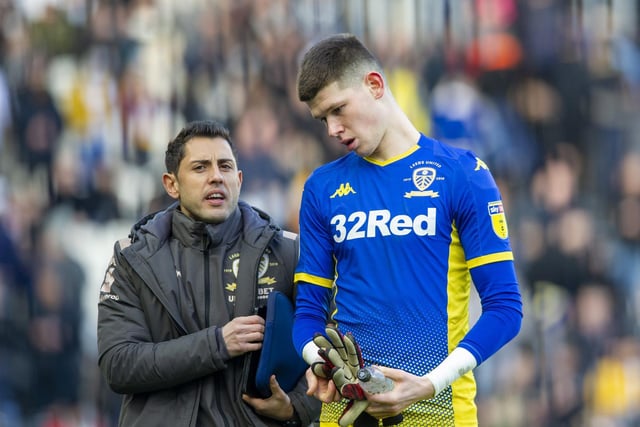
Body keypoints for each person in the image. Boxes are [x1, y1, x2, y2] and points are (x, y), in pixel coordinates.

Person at [291, 33, 523, 426]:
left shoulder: (462, 174)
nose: (332, 129)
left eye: (338, 110)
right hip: (347, 415)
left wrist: (428, 384)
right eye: (323, 119)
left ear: (375, 85)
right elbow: (308, 313)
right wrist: (320, 362)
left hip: (439, 413)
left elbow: (505, 309)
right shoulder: (321, 187)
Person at [97, 120, 320, 426]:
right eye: (200, 167)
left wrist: (297, 406)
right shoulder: (132, 259)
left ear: (239, 179)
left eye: (225, 166)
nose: (216, 177)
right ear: (171, 184)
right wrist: (217, 344)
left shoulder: (288, 251)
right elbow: (118, 365)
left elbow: (330, 345)